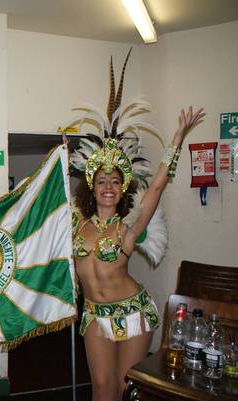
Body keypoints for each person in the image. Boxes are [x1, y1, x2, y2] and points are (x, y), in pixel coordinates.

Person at [69, 51, 205, 401]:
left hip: (133, 310)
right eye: (102, 181)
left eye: (116, 181)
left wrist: (177, 139)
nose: (109, 186)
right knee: (101, 388)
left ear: (122, 189)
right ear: (92, 188)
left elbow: (157, 186)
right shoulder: (74, 223)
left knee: (124, 387)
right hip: (94, 315)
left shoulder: (128, 227)